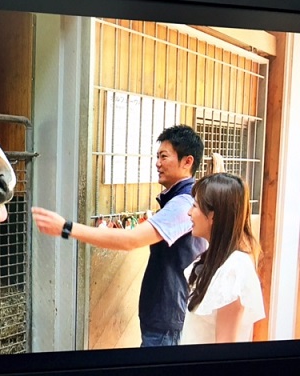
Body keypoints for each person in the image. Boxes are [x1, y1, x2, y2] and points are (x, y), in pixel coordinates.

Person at [32, 124, 207, 346]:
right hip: (164, 315)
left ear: (187, 162)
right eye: (157, 156)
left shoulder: (182, 203)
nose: (157, 163)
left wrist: (66, 228)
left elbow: (131, 241)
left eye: (164, 156)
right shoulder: (181, 197)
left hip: (168, 321)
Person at [180, 173, 265, 344]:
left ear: (214, 216)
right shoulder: (213, 260)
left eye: (195, 206)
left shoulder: (234, 269)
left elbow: (225, 351)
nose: (189, 213)